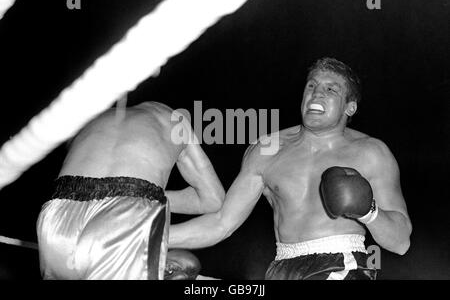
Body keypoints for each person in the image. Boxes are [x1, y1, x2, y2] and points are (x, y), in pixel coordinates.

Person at [169, 57, 412, 280]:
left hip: (341, 264)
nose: (317, 94)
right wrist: (153, 238)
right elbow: (222, 223)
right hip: (281, 266)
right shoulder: (267, 150)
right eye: (311, 86)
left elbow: (401, 242)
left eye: (331, 89)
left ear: (350, 107)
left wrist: (368, 212)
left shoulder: (371, 153)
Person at [36, 101, 224, 280]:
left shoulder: (92, 118)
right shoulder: (171, 118)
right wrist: (156, 195)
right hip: (124, 212)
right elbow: (214, 200)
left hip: (60, 211)